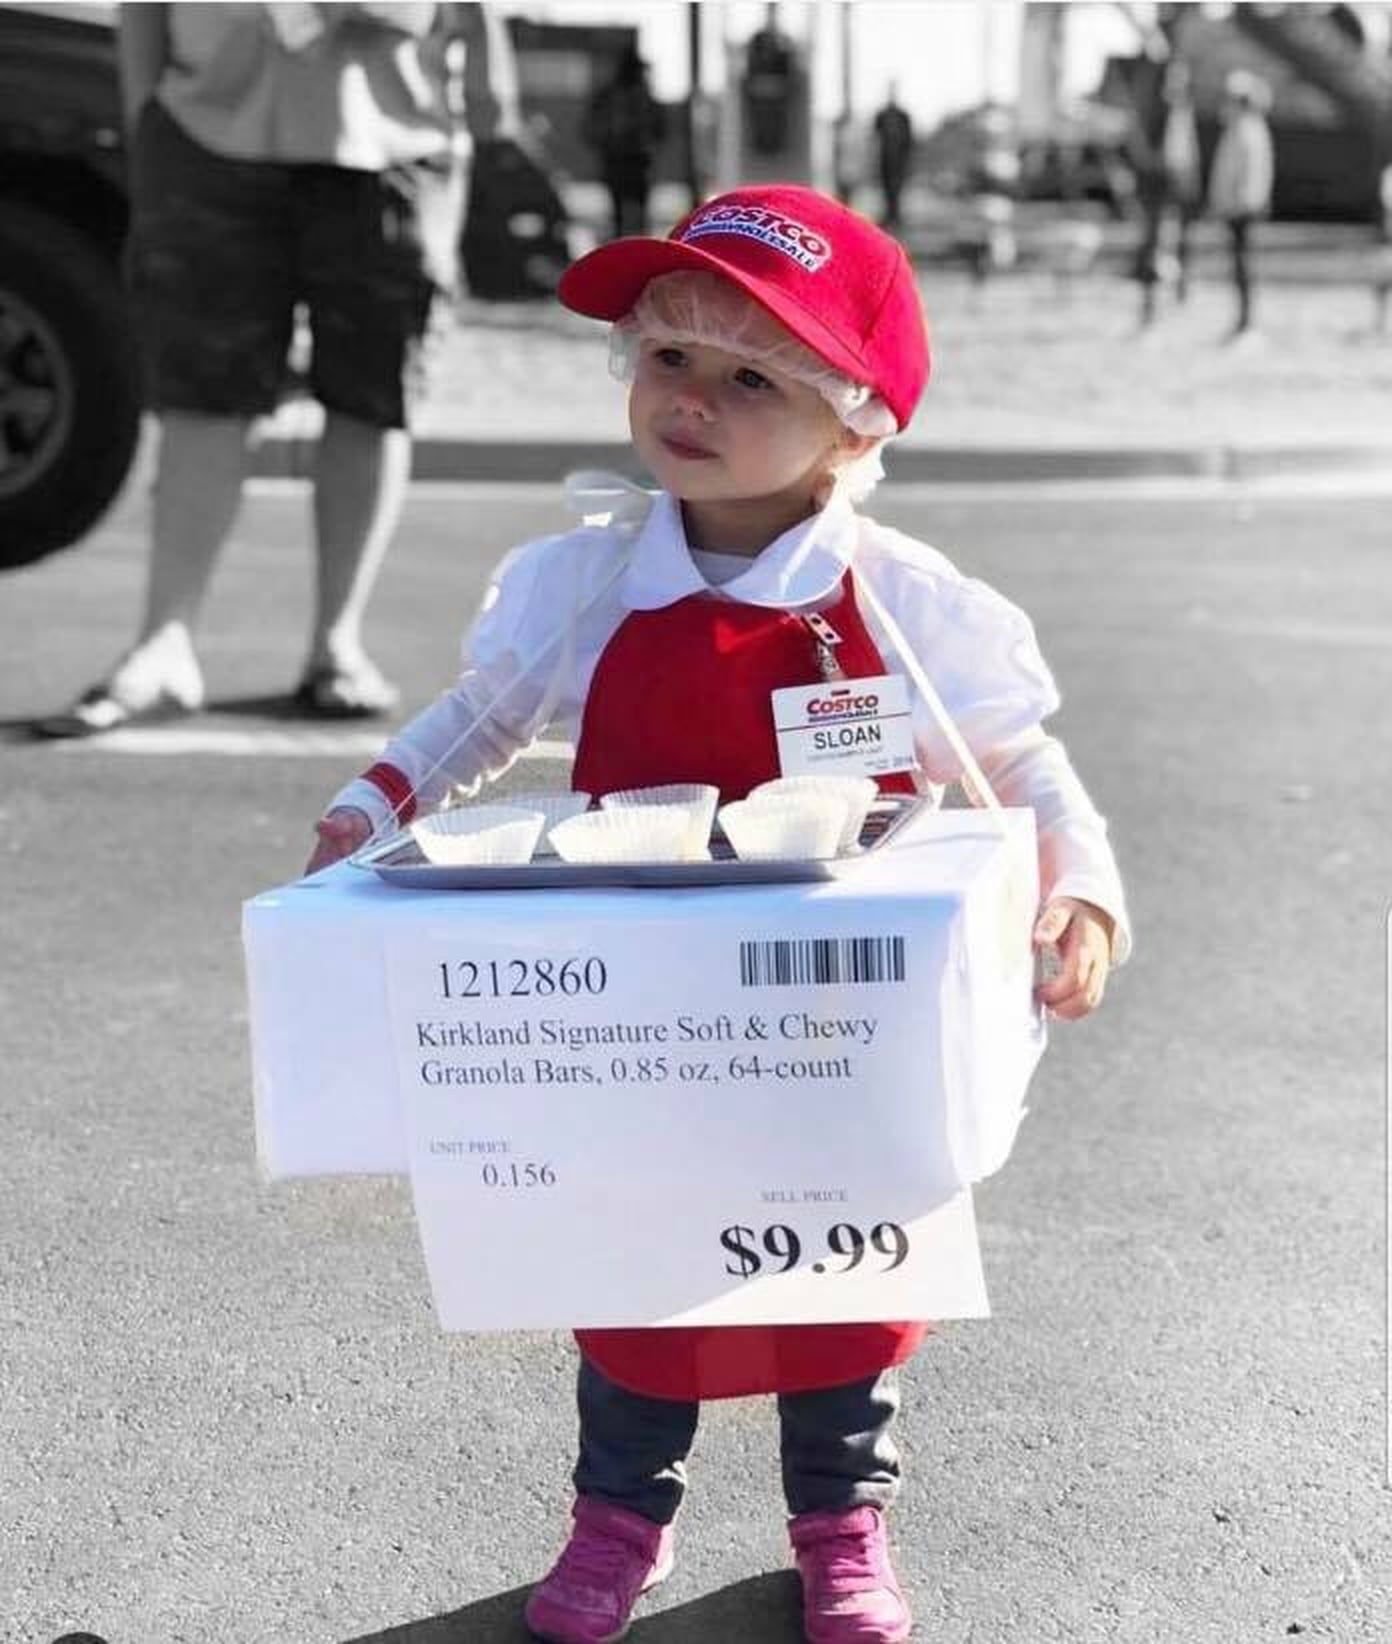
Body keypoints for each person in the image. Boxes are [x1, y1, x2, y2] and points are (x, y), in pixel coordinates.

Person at [305, 184, 1131, 1644]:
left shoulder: (902, 604)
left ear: (854, 426)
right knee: (633, 1269)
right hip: (643, 1021)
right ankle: (619, 1517)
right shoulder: (589, 585)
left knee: (841, 1279)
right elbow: (486, 714)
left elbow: (1019, 761)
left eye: (753, 379)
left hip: (835, 1029)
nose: (690, 400)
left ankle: (842, 1520)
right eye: (668, 356)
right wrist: (380, 795)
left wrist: (1081, 888)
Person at [38, 2, 468, 738]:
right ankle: (163, 644)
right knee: (203, 394)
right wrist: (150, 122)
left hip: (390, 133)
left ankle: (337, 643)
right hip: (205, 132)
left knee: (375, 395)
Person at [1131, 57, 1203, 326]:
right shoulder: (1154, 111)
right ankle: (1149, 306)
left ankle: (1180, 291)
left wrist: (1190, 181)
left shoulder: (1184, 109)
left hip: (1180, 183)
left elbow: (1188, 150)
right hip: (1158, 184)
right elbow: (1142, 148)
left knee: (1181, 242)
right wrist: (1155, 164)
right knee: (1154, 243)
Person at [1207, 68, 1275, 342]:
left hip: (1243, 210)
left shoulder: (1249, 129)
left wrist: (1241, 204)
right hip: (1235, 209)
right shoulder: (1238, 128)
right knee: (1239, 267)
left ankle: (1247, 323)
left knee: (1244, 267)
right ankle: (1242, 321)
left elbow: (1252, 176)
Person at [582, 43, 665, 240]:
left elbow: (660, 129)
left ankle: (628, 246)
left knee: (624, 215)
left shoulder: (612, 96)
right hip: (628, 161)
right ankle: (635, 247)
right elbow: (660, 130)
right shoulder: (638, 96)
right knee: (632, 215)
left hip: (627, 161)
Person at [871, 86, 914, 231]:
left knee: (896, 187)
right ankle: (890, 215)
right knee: (886, 188)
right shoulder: (882, 115)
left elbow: (909, 139)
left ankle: (895, 215)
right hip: (885, 159)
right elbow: (875, 137)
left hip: (899, 160)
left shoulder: (903, 115)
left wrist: (907, 158)